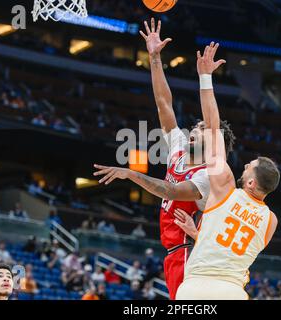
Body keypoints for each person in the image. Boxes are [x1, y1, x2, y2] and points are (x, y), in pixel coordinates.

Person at [93, 18, 235, 300]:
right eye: (195, 127)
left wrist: (130, 174)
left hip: (192, 253)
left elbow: (170, 190)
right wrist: (155, 58)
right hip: (174, 252)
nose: (194, 130)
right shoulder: (180, 149)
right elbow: (163, 103)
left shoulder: (208, 175)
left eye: (202, 130)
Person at [176, 42, 279, 300]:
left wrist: (205, 77)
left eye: (248, 168)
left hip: (194, 286)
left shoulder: (224, 187)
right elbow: (232, 248)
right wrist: (200, 233)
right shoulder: (271, 222)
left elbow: (212, 128)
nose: (243, 166)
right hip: (231, 291)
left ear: (252, 184)